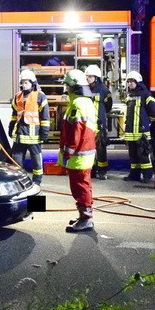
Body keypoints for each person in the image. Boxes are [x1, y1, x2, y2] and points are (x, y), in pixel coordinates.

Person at [59, 69, 97, 233]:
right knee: (84, 186)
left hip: (78, 156)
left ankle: (86, 219)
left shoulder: (77, 104)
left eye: (67, 86)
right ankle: (84, 216)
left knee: (79, 188)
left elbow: (75, 133)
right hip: (85, 153)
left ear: (73, 87)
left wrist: (67, 153)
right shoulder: (86, 102)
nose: (66, 89)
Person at [10, 69, 49, 184]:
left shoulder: (40, 96)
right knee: (16, 161)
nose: (23, 85)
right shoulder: (18, 97)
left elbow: (45, 117)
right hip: (20, 136)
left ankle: (37, 182)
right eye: (22, 82)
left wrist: (44, 133)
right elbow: (14, 115)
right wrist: (11, 127)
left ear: (33, 83)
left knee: (37, 161)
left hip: (34, 137)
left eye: (26, 82)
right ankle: (21, 182)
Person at [123, 70, 155, 183]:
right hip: (130, 132)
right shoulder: (129, 95)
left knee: (144, 154)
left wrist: (149, 121)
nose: (129, 83)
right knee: (133, 156)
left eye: (131, 81)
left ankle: (147, 176)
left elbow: (153, 109)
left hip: (141, 131)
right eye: (128, 81)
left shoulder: (145, 94)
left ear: (137, 81)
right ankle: (134, 175)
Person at [84, 64, 112, 180]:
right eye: (87, 77)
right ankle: (93, 171)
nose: (87, 79)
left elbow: (108, 106)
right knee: (89, 150)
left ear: (96, 77)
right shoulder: (85, 89)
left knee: (101, 149)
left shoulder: (104, 90)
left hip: (99, 124)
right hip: (88, 124)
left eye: (90, 77)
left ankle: (102, 171)